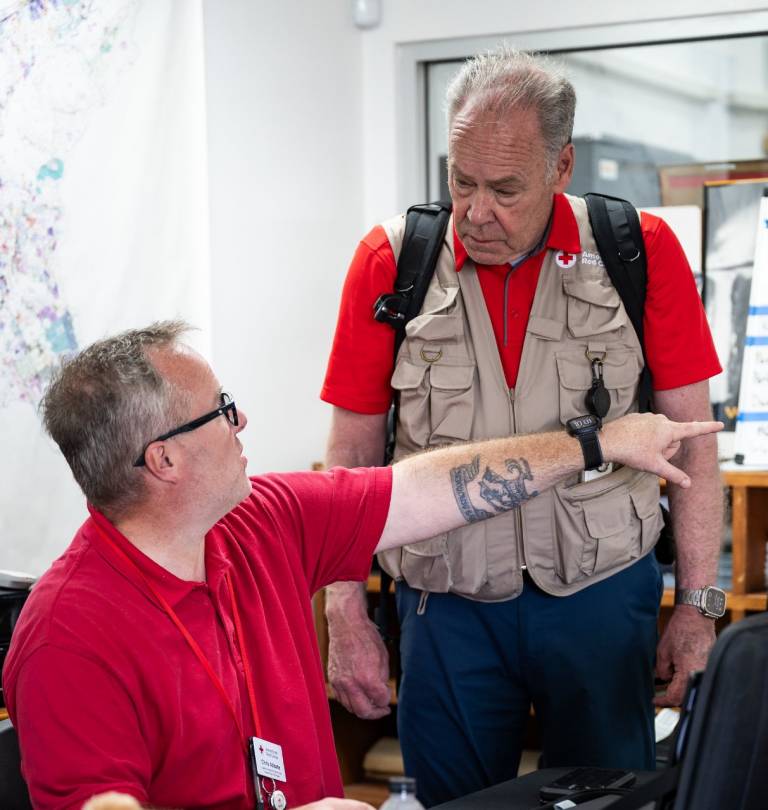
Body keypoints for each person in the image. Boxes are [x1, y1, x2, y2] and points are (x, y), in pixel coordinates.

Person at [3, 322, 720, 810]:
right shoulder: (69, 638)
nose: (242, 423)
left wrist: (594, 445)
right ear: (164, 460)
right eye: (222, 411)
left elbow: (431, 488)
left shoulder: (259, 520)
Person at [320, 45, 723, 805]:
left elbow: (694, 448)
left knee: (611, 798)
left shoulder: (638, 252)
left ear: (561, 167)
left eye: (505, 189)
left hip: (602, 601)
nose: (477, 211)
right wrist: (345, 609)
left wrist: (698, 610)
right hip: (446, 611)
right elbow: (350, 457)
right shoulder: (391, 263)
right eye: (461, 180)